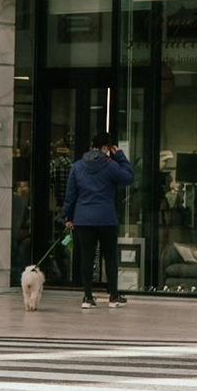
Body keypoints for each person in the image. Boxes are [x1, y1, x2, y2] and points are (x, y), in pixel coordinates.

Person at [62, 131, 135, 309]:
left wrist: (68, 216)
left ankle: (87, 297)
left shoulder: (77, 166)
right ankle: (114, 296)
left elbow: (70, 195)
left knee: (86, 258)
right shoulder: (110, 165)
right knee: (109, 257)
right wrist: (120, 155)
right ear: (107, 148)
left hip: (83, 219)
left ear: (91, 146)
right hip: (106, 219)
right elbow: (128, 177)